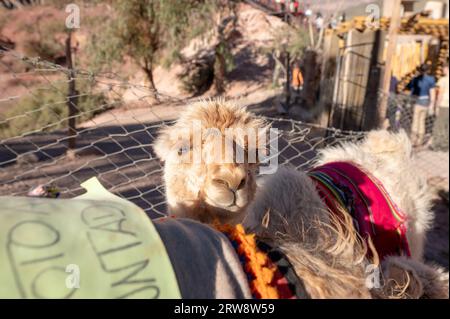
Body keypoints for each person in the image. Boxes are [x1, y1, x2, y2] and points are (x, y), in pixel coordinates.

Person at [406, 64, 436, 146]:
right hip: (425, 102)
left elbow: (409, 89)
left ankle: (413, 140)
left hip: (417, 102)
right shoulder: (431, 80)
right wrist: (432, 105)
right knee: (422, 122)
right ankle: (419, 140)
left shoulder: (415, 79)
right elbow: (432, 93)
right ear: (428, 70)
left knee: (415, 121)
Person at [431, 63, 449, 150]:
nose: (442, 70)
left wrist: (436, 106)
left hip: (444, 105)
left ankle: (436, 144)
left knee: (439, 125)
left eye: (444, 69)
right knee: (447, 126)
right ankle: (446, 145)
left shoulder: (443, 80)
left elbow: (440, 94)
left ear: (447, 69)